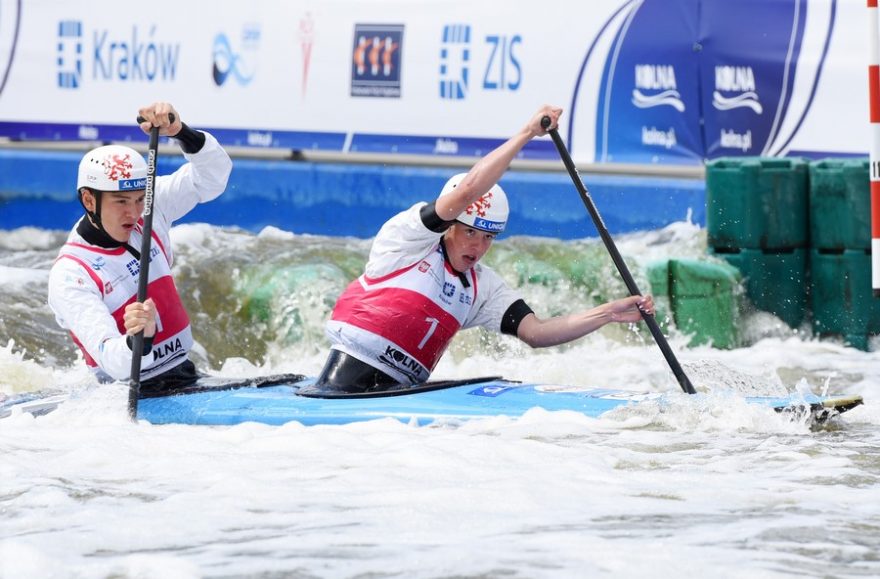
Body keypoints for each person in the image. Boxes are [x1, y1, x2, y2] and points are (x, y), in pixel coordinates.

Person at [315, 104, 655, 392]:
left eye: (489, 237)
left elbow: (537, 333)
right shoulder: (407, 240)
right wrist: (527, 134)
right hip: (339, 388)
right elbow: (467, 193)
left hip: (399, 397)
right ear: (449, 225)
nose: (478, 246)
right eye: (470, 232)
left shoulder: (482, 288)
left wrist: (607, 314)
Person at [47, 102, 294, 397]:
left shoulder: (152, 207)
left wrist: (181, 133)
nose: (134, 213)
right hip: (127, 394)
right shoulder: (71, 274)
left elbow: (214, 177)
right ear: (89, 200)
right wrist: (139, 339)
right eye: (121, 202)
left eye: (140, 199)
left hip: (185, 375)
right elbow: (111, 359)